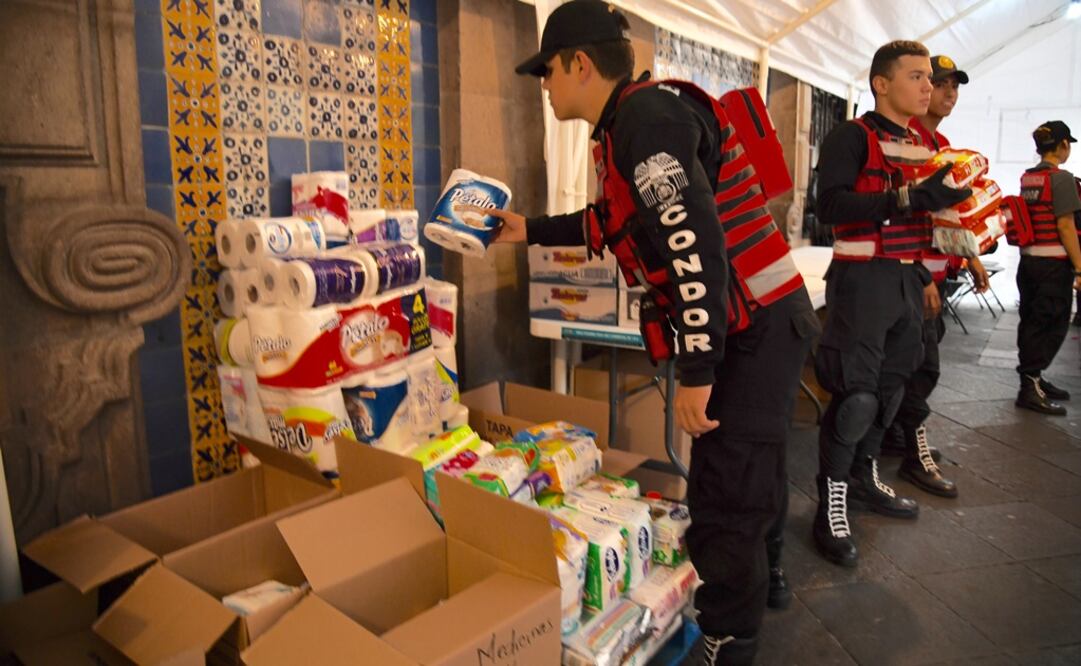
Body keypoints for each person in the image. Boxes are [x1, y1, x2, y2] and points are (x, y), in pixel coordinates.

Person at [472, 2, 818, 662]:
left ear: (579, 63)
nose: (542, 85)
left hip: (753, 333)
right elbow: (617, 221)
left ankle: (727, 638)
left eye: (546, 71)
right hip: (762, 325)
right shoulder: (629, 123)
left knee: (724, 497)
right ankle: (761, 585)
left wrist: (697, 372)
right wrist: (529, 230)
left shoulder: (645, 121)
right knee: (750, 478)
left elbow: (694, 246)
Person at [812, 40, 972, 567]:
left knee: (890, 390)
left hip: (908, 280)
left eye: (930, 77)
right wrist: (907, 198)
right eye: (917, 76)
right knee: (855, 395)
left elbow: (925, 219)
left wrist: (964, 233)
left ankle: (864, 478)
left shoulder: (925, 146)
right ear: (882, 83)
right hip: (862, 279)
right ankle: (828, 504)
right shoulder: (851, 135)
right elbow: (829, 205)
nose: (929, 86)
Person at [879, 54, 989, 498]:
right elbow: (893, 219)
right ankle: (912, 451)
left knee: (915, 364)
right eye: (929, 80)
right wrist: (922, 273)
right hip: (906, 276)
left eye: (949, 85)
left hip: (933, 273)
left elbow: (944, 216)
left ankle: (898, 434)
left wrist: (971, 257)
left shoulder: (939, 143)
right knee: (921, 366)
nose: (942, 92)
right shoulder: (898, 141)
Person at [1014, 120, 1081, 415]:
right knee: (1052, 324)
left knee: (1031, 321)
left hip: (1029, 262)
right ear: (1063, 145)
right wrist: (1080, 268)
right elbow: (1066, 226)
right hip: (1053, 266)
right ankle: (1030, 386)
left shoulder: (1028, 178)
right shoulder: (1062, 178)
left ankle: (1035, 379)